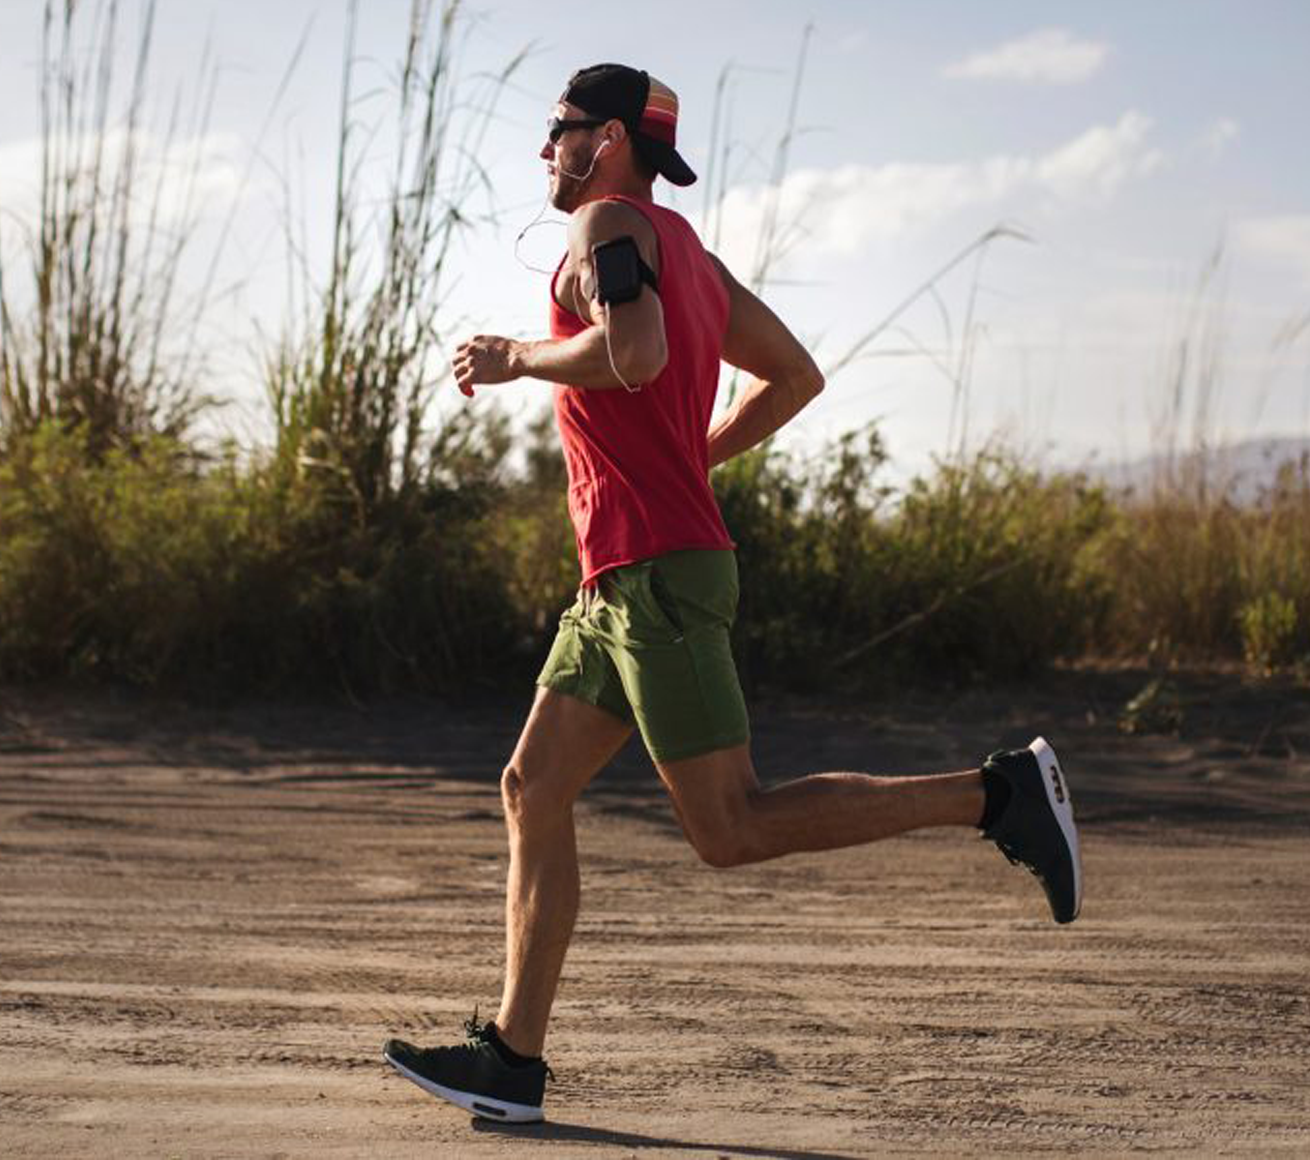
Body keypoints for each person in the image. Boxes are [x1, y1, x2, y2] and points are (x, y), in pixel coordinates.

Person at [383, 63, 1081, 1125]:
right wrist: (691, 452)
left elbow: (634, 350)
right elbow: (794, 375)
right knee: (531, 787)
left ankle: (997, 794)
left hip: (657, 575)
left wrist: (516, 355)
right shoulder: (695, 261)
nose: (545, 150)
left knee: (729, 826)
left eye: (557, 129)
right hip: (621, 578)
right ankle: (512, 1058)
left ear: (605, 136)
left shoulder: (607, 224)